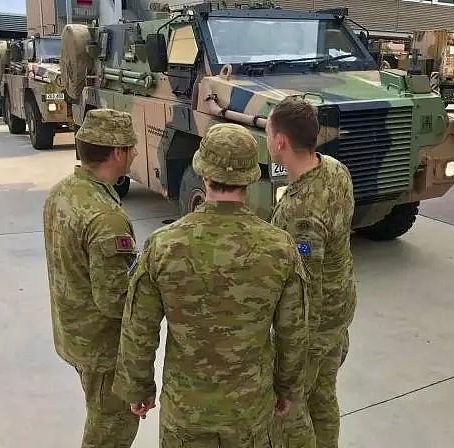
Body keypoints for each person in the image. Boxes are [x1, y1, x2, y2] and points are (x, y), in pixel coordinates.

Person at [112, 123, 308, 447]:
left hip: (186, 414)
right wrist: (287, 389)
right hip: (251, 412)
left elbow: (138, 329)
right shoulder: (280, 248)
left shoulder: (163, 246)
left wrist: (138, 389)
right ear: (250, 177)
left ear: (202, 174)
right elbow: (293, 333)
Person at [43, 108, 140, 447]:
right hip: (104, 349)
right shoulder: (106, 218)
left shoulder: (62, 193)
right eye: (132, 147)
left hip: (74, 332)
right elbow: (116, 301)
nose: (136, 153)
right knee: (110, 433)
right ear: (117, 153)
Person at [267, 96, 357, 448]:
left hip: (313, 327)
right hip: (339, 313)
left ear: (280, 142)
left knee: (290, 413)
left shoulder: (300, 211)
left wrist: (290, 351)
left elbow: (305, 286)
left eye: (268, 130)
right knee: (323, 397)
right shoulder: (334, 168)